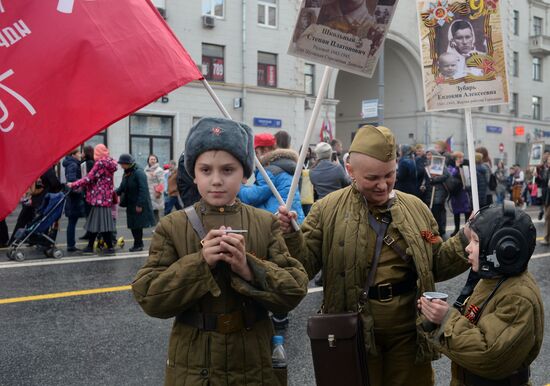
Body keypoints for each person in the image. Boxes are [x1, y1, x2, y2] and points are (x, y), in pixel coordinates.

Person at [277, 124, 470, 386]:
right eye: (372, 178)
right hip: (352, 333)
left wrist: (466, 238)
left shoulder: (416, 209)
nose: (382, 185)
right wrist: (290, 235)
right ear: (350, 171)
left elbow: (435, 259)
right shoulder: (326, 210)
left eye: (389, 175)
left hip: (409, 335)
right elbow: (304, 266)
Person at [131, 117, 308, 386]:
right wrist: (200, 263)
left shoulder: (265, 222)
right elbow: (149, 296)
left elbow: (294, 289)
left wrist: (249, 268)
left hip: (253, 363)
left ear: (245, 174)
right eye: (205, 170)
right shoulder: (173, 226)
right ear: (193, 173)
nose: (216, 180)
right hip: (193, 364)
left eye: (227, 170)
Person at [418, 202, 543, 385]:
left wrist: (446, 320)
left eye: (476, 241)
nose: (468, 247)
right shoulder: (493, 279)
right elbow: (472, 324)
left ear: (502, 249)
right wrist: (433, 319)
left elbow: (488, 353)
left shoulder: (517, 298)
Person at [238, 133, 305, 224]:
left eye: (256, 152)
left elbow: (253, 196)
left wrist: (238, 187)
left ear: (265, 150)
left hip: (279, 220)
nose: (255, 157)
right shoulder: (286, 166)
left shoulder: (270, 171)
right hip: (295, 218)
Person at [67, 144, 117, 255]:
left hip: (99, 197)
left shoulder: (100, 163)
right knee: (99, 222)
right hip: (105, 197)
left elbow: (89, 178)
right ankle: (95, 246)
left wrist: (73, 184)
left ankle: (108, 247)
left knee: (101, 223)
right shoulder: (109, 163)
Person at [116, 154, 155, 252]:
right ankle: (137, 244)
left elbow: (143, 189)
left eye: (122, 164)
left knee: (138, 226)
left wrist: (140, 204)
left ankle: (138, 244)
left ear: (127, 164)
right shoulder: (127, 173)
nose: (121, 166)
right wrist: (112, 193)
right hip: (130, 203)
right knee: (133, 225)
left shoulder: (139, 172)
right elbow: (122, 187)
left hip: (138, 203)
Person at [62, 148, 86, 252]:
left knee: (72, 221)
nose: (80, 154)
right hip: (74, 197)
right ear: (73, 155)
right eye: (78, 153)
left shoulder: (71, 163)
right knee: (72, 221)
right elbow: (72, 181)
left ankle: (71, 244)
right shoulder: (73, 165)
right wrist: (82, 181)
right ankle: (71, 245)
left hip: (72, 197)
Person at [79, 145, 96, 241]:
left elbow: (86, 178)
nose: (81, 154)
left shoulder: (89, 163)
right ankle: (89, 233)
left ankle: (91, 234)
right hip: (86, 191)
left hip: (88, 192)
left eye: (82, 152)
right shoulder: (87, 163)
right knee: (88, 214)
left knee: (89, 214)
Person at [145, 154, 165, 224]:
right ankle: (156, 226)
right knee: (152, 211)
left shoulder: (159, 170)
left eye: (154, 159)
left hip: (155, 194)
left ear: (156, 160)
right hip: (148, 194)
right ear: (148, 161)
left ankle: (158, 228)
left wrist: (159, 192)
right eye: (151, 159)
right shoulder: (146, 170)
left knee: (156, 212)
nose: (153, 161)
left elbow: (161, 182)